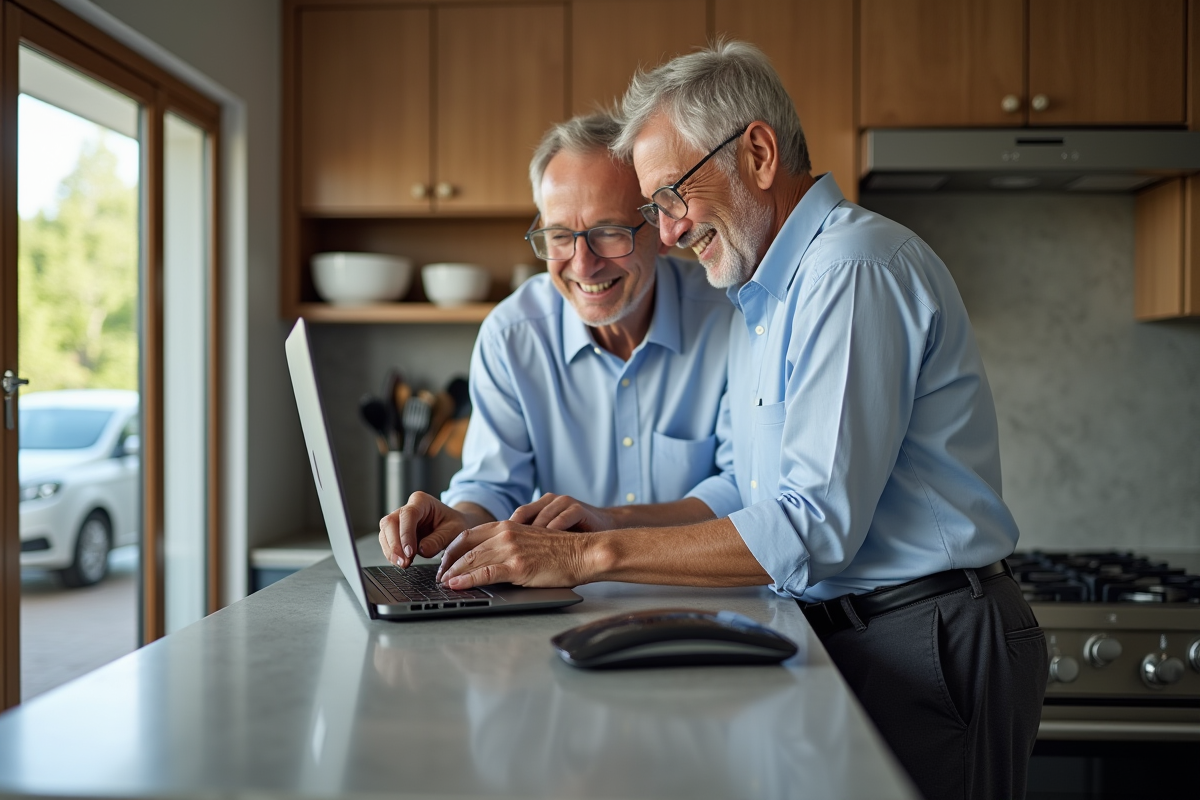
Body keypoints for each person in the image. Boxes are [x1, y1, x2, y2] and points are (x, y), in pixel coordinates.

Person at [408, 43, 1049, 800]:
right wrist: (591, 527)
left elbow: (810, 527)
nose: (669, 232)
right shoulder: (768, 294)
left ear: (758, 151)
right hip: (862, 632)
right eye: (657, 210)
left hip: (928, 635)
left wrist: (585, 557)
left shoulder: (850, 271)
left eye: (670, 197)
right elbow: (752, 489)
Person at [378, 112, 738, 566]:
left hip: (705, 592)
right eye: (560, 236)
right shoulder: (511, 337)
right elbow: (491, 486)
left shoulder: (729, 318)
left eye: (609, 233)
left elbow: (741, 487)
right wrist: (459, 519)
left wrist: (609, 523)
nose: (582, 265)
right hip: (567, 604)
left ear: (662, 229)